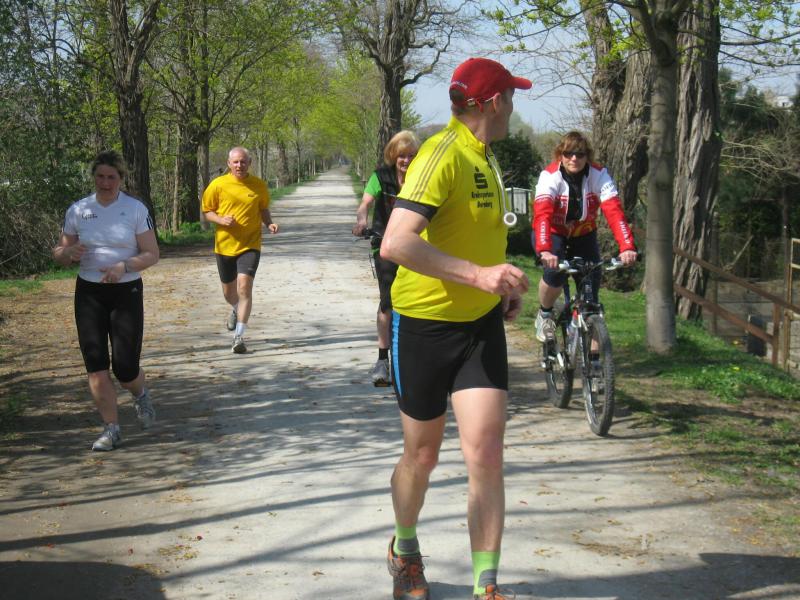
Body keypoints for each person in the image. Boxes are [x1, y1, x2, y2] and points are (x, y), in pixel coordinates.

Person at [379, 57, 531, 600]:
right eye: (510, 95)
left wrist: (500, 285)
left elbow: (476, 234)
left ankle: (486, 584)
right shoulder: (441, 154)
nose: (514, 105)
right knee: (422, 456)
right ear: (492, 103)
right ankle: (404, 549)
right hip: (424, 326)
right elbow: (395, 242)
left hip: (479, 326)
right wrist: (477, 275)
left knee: (486, 453)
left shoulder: (484, 155)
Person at [53, 150, 160, 451]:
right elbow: (59, 253)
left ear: (120, 178)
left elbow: (152, 253)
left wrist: (124, 266)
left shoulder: (135, 209)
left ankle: (140, 394)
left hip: (126, 291)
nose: (105, 182)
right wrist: (67, 253)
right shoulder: (79, 210)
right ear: (93, 177)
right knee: (95, 363)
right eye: (100, 176)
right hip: (89, 292)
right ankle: (111, 429)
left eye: (111, 177)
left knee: (125, 368)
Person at [532, 131, 637, 343]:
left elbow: (614, 212)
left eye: (580, 154)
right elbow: (542, 214)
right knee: (554, 274)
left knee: (591, 300)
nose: (574, 159)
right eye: (568, 153)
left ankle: (596, 361)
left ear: (587, 156)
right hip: (553, 233)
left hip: (584, 235)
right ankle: (545, 314)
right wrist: (545, 250)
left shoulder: (599, 175)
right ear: (560, 155)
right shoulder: (550, 176)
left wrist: (627, 246)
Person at [352, 130, 420, 386]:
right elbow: (365, 204)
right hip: (385, 245)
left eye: (412, 155)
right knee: (388, 300)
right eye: (402, 156)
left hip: (416, 246)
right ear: (393, 155)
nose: (406, 160)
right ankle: (382, 360)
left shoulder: (422, 176)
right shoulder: (381, 176)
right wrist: (361, 222)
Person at [202, 146, 279, 354]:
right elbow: (207, 211)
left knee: (244, 287)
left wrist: (269, 223)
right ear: (229, 164)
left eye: (243, 161)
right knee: (229, 293)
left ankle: (239, 337)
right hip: (224, 245)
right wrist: (220, 220)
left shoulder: (258, 185)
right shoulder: (218, 185)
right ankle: (236, 309)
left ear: (249, 163)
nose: (239, 165)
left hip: (250, 244)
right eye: (235, 162)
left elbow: (263, 208)